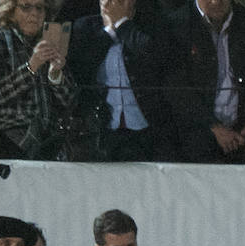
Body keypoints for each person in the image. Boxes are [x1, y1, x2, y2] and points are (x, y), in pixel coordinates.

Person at [164, 0, 245, 164]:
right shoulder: (177, 26)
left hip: (244, 125)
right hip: (199, 128)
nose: (216, 2)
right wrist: (213, 127)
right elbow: (176, 90)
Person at [67, 0, 172, 161]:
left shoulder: (152, 23)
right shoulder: (84, 26)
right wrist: (109, 31)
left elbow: (154, 55)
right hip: (102, 128)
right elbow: (81, 68)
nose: (107, 2)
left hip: (148, 128)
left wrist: (122, 24)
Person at [0, 0, 76, 159]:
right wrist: (31, 67)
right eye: (26, 7)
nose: (35, 13)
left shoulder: (48, 42)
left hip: (50, 138)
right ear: (11, 11)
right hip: (11, 138)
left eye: (40, 8)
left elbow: (70, 100)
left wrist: (55, 75)